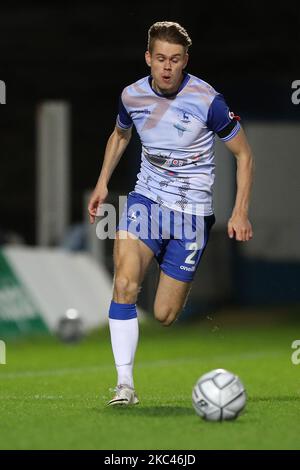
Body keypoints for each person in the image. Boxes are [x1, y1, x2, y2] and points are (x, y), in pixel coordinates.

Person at [88, 21, 254, 406]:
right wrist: (101, 183)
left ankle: (167, 259)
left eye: (174, 60)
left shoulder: (207, 100)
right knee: (126, 283)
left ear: (185, 62)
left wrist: (240, 211)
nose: (166, 67)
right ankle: (124, 386)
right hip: (146, 201)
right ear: (148, 58)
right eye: (160, 58)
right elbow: (120, 134)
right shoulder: (132, 96)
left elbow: (244, 154)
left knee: (164, 314)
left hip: (192, 214)